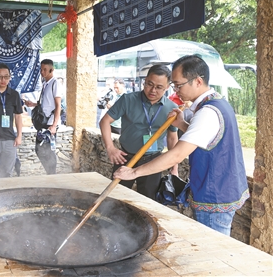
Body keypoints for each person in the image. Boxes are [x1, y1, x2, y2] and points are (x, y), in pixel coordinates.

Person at [114, 55, 249, 235]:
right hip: (225, 187)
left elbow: (177, 155)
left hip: (214, 194)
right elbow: (206, 140)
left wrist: (134, 172)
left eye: (178, 85)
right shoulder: (219, 102)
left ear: (198, 81)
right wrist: (181, 125)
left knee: (209, 250)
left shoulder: (207, 113)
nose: (176, 91)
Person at [100, 65, 179, 200]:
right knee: (115, 198)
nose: (153, 90)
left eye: (159, 87)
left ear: (167, 87)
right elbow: (105, 121)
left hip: (153, 161)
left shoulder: (171, 108)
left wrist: (174, 168)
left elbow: (172, 138)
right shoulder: (128, 99)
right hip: (125, 158)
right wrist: (110, 148)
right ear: (145, 81)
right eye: (149, 84)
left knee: (148, 202)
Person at [24, 59, 62, 175]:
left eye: (45, 69)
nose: (42, 72)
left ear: (51, 70)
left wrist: (54, 125)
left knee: (47, 150)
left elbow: (58, 105)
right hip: (44, 122)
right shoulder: (45, 84)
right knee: (40, 149)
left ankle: (52, 174)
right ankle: (50, 173)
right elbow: (46, 103)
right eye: (41, 69)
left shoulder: (55, 83)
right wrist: (34, 104)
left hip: (50, 123)